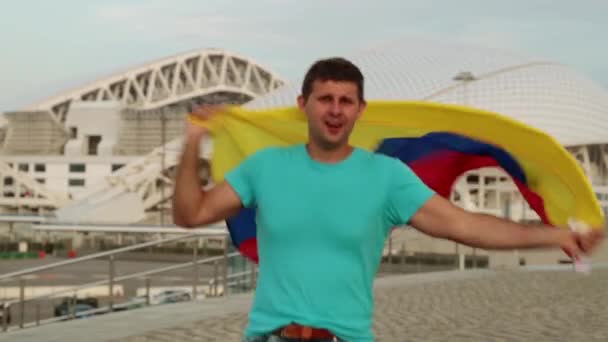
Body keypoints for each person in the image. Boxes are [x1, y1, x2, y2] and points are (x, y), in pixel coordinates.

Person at [172, 57, 604, 342]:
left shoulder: (387, 177)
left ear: (361, 110)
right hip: (270, 336)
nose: (336, 110)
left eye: (346, 101)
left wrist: (555, 235)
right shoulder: (264, 167)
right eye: (325, 99)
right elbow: (191, 214)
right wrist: (193, 141)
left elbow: (464, 225)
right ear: (303, 104)